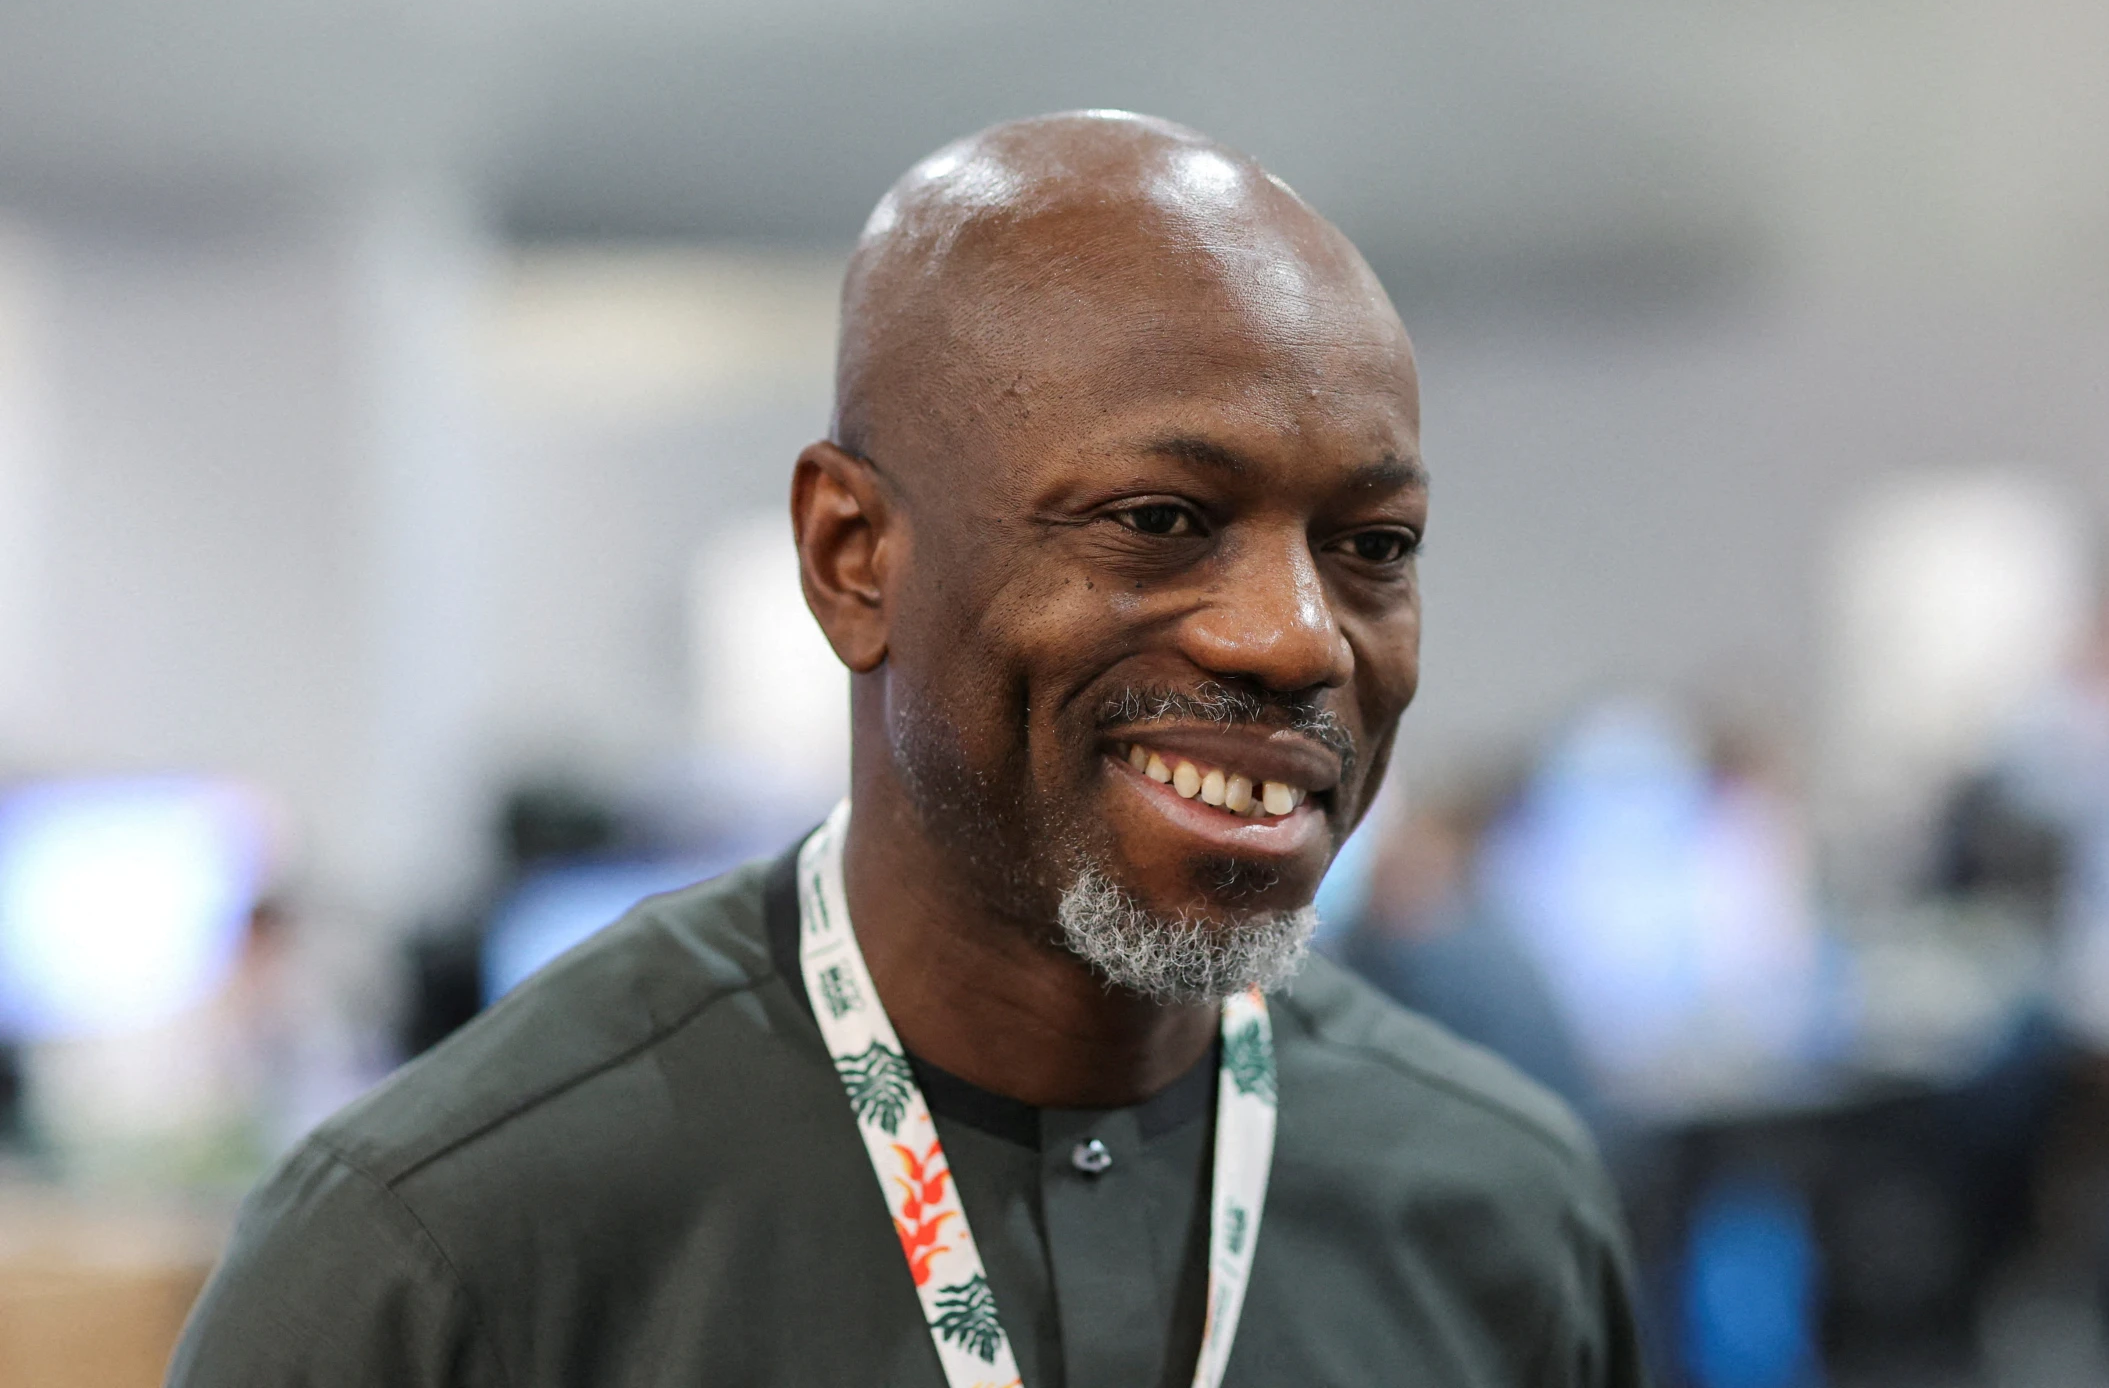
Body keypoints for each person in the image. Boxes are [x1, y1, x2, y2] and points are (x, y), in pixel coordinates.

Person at [168, 111, 1647, 1387]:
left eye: (1373, 545)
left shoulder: (1500, 1214)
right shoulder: (448, 1250)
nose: (1296, 638)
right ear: (854, 556)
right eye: (1157, 520)